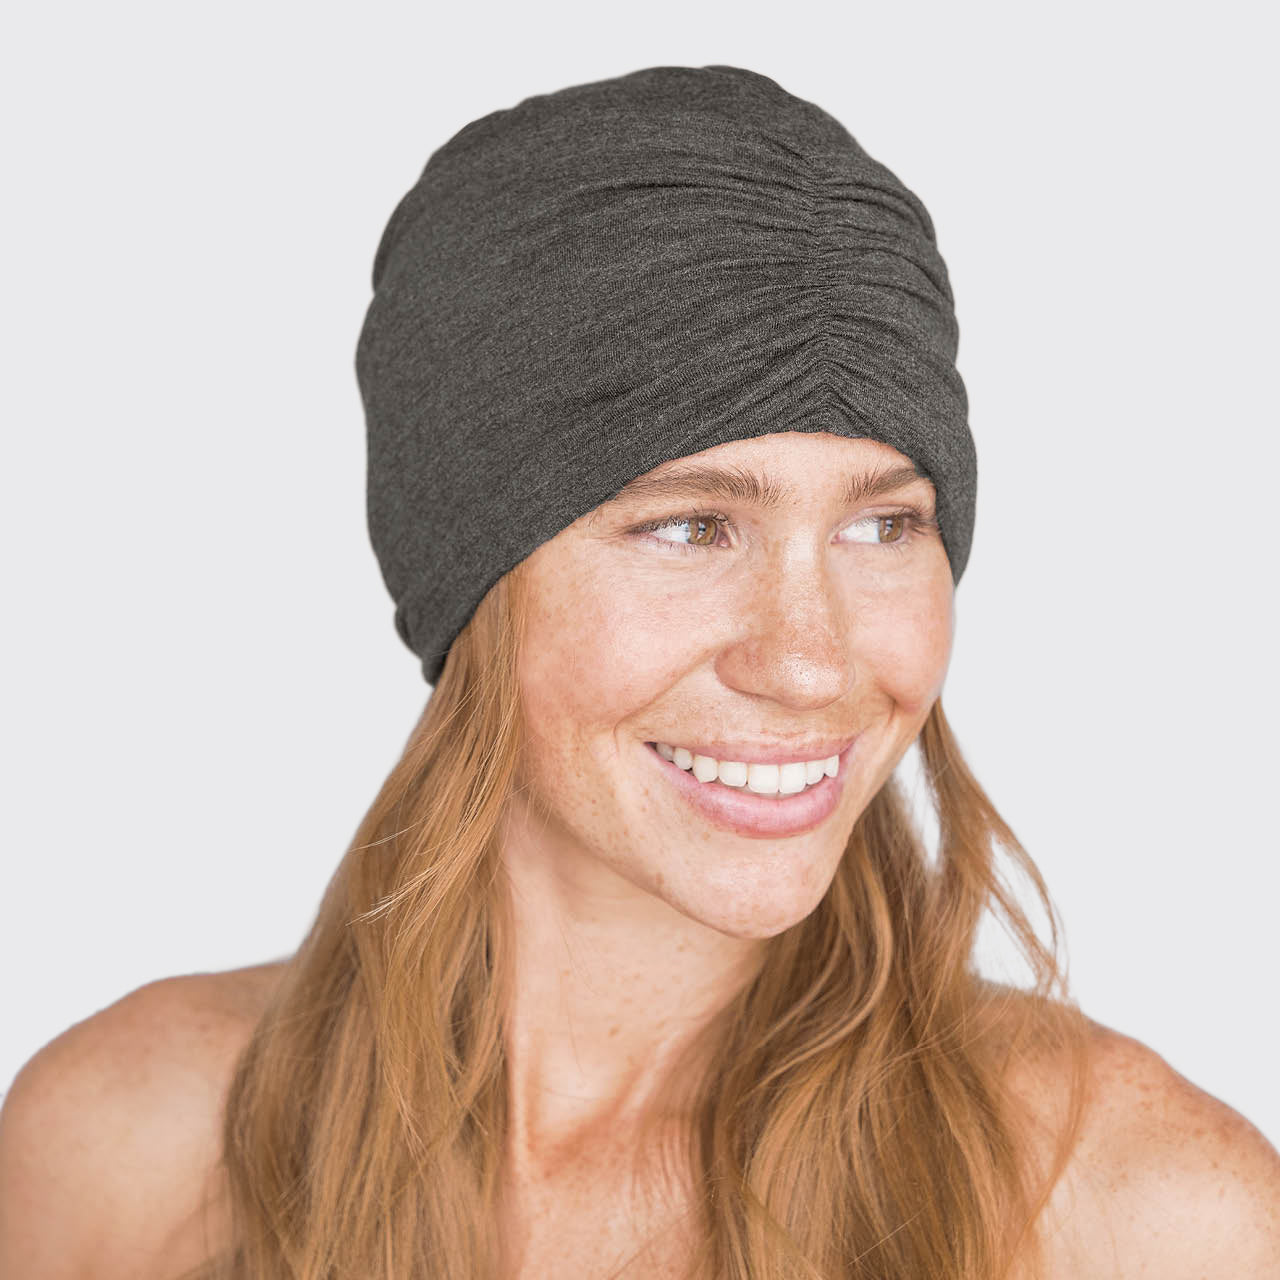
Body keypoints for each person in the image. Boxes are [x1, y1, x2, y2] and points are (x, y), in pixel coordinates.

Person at [1, 63, 1277, 1280]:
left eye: (882, 524)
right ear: (469, 568)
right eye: (690, 526)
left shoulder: (1142, 1210)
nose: (807, 661)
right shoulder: (123, 1139)